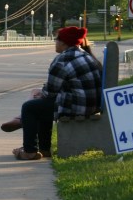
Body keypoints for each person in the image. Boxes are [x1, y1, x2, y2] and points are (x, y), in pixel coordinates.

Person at [11, 26, 103, 160]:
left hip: (77, 107)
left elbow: (50, 93)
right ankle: (44, 149)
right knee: (41, 105)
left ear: (64, 43)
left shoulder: (62, 60)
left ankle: (29, 150)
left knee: (29, 107)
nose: (55, 42)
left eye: (56, 39)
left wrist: (40, 94)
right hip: (92, 105)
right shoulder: (85, 55)